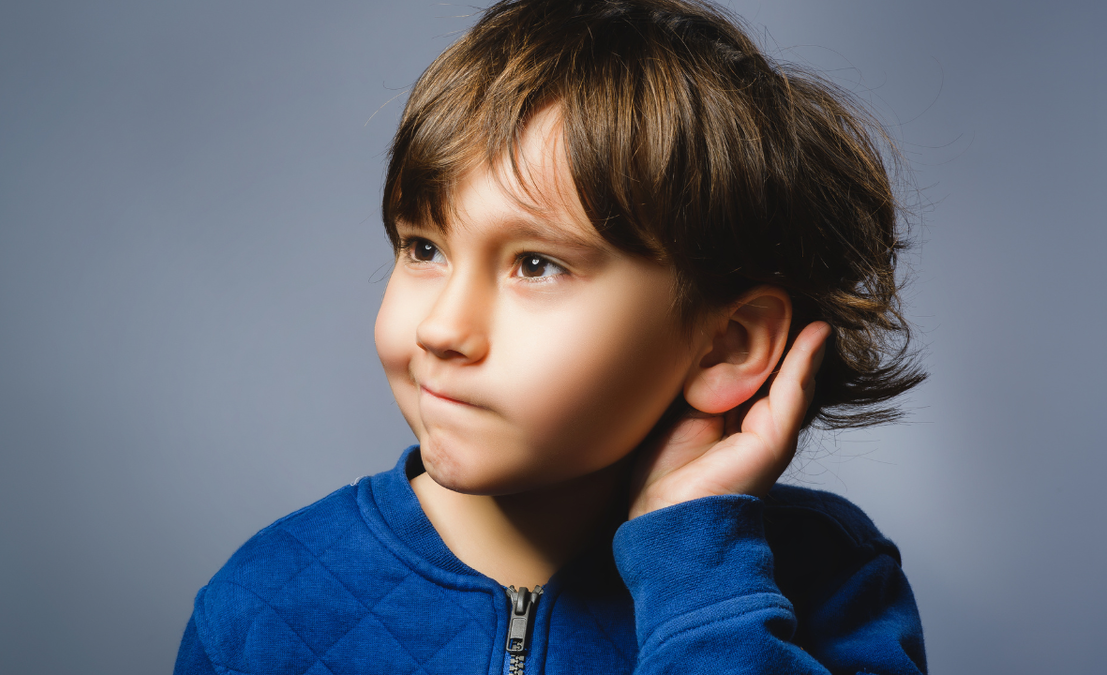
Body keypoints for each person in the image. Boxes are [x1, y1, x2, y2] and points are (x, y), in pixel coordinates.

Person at [174, 0, 928, 672]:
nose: (441, 328)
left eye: (535, 265)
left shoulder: (833, 584)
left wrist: (696, 564)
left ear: (726, 345)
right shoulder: (263, 605)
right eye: (423, 248)